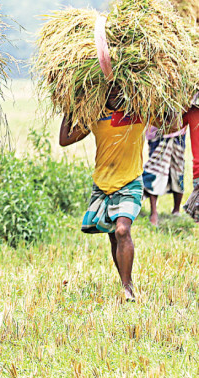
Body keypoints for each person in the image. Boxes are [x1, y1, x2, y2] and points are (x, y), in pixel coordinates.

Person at [58, 86, 145, 301]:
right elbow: (65, 139)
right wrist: (70, 105)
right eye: (109, 89)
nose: (114, 92)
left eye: (118, 87)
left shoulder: (138, 109)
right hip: (104, 184)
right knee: (114, 236)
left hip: (131, 180)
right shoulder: (95, 114)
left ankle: (127, 288)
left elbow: (170, 124)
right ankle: (126, 280)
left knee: (122, 230)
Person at [142, 124, 186, 225]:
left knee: (178, 170)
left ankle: (176, 210)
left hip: (179, 131)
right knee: (155, 170)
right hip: (157, 132)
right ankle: (154, 212)